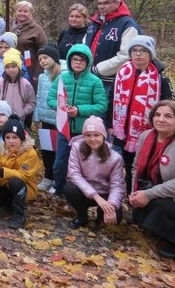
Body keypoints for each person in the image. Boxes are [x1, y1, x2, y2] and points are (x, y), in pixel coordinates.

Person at [130, 100, 175, 260]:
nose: (161, 119)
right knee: (143, 211)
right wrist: (135, 193)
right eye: (157, 115)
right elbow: (136, 167)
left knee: (160, 206)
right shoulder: (146, 136)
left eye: (168, 116)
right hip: (157, 189)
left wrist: (148, 194)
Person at [111, 35, 174, 194]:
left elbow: (169, 107)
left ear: (150, 54)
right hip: (123, 131)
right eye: (135, 50)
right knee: (128, 166)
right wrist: (109, 124)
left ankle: (145, 202)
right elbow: (111, 99)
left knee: (145, 169)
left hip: (149, 133)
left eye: (143, 51)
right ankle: (131, 199)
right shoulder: (121, 74)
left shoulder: (160, 79)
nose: (138, 54)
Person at [48, 44, 108, 195]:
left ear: (88, 62)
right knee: (60, 163)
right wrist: (63, 108)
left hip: (85, 133)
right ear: (69, 61)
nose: (78, 63)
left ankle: (81, 193)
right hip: (64, 129)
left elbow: (102, 105)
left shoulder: (95, 81)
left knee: (84, 165)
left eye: (82, 60)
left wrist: (79, 111)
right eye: (75, 59)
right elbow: (50, 99)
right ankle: (59, 188)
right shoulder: (61, 78)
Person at [85, 0, 142, 123]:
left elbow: (127, 55)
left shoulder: (127, 24)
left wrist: (98, 69)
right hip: (90, 79)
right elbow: (85, 46)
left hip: (112, 82)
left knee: (105, 119)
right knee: (91, 119)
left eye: (106, 3)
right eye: (99, 3)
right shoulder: (95, 22)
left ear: (117, 3)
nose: (101, 7)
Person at [0, 115, 40, 229]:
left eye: (15, 137)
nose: (11, 141)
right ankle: (9, 202)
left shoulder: (31, 153)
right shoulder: (0, 151)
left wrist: (0, 171)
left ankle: (20, 214)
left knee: (15, 181)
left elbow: (24, 176)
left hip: (25, 187)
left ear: (21, 138)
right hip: (5, 186)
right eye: (7, 137)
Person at [65, 116, 124, 229]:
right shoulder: (77, 148)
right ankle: (82, 216)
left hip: (104, 192)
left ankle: (101, 214)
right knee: (69, 188)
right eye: (88, 135)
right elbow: (74, 174)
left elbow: (117, 185)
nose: (92, 139)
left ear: (103, 136)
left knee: (117, 217)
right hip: (84, 191)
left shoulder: (115, 158)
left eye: (96, 135)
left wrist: (111, 205)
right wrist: (96, 197)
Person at [33, 44, 63, 193]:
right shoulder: (42, 77)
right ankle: (48, 177)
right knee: (47, 151)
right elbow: (39, 97)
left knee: (59, 151)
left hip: (59, 121)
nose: (42, 61)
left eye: (45, 58)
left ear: (54, 58)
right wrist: (36, 115)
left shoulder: (64, 75)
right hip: (45, 119)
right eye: (40, 59)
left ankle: (58, 179)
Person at [0, 49, 36, 122]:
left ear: (19, 67)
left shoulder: (26, 84)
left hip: (19, 120)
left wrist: (24, 112)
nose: (10, 70)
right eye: (7, 67)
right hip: (1, 120)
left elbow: (31, 102)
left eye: (13, 66)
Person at [11, 1, 47, 89]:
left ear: (30, 13)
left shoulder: (36, 29)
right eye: (20, 11)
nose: (22, 13)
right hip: (9, 66)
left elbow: (44, 51)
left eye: (25, 11)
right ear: (15, 11)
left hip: (28, 67)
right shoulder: (9, 24)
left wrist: (37, 73)